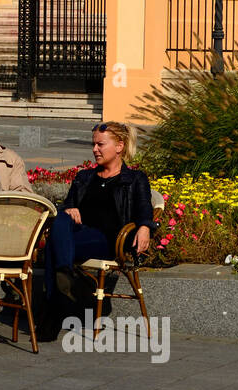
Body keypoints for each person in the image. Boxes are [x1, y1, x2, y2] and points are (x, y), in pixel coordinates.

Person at [42, 121, 155, 333]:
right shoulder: (85, 177)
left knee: (52, 247)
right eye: (94, 144)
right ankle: (65, 277)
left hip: (108, 239)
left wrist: (145, 227)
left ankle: (53, 309)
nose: (95, 149)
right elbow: (68, 203)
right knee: (61, 218)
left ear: (119, 146)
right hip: (78, 234)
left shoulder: (134, 179)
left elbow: (143, 208)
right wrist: (69, 209)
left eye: (100, 145)